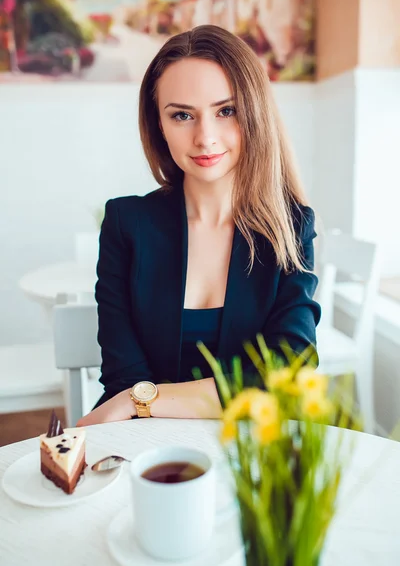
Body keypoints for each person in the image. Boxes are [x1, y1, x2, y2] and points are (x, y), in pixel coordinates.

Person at [77, 25, 320, 427]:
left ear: (254, 114)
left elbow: (286, 373)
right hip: (146, 448)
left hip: (251, 450)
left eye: (226, 111)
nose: (205, 137)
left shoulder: (291, 228)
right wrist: (135, 402)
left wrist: (141, 399)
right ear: (159, 125)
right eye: (182, 115)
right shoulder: (126, 225)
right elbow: (124, 376)